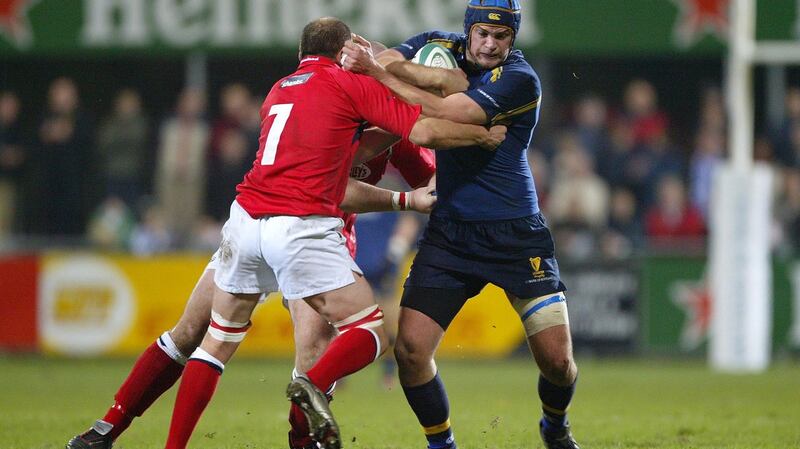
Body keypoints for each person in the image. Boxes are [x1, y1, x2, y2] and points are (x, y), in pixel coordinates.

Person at [66, 17, 504, 449]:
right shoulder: (350, 94)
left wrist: (456, 188)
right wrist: (465, 142)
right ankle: (108, 428)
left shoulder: (301, 92)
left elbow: (429, 176)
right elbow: (340, 183)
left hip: (270, 220)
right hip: (304, 227)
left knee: (285, 349)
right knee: (195, 331)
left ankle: (292, 440)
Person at [341, 1, 581, 448]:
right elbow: (389, 57)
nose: (490, 44)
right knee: (411, 351)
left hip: (515, 232)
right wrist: (398, 68)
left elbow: (449, 113)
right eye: (482, 34)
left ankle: (555, 425)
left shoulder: (520, 79)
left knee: (557, 362)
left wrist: (381, 73)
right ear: (468, 30)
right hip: (450, 233)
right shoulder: (438, 45)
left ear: (513, 39)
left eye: (501, 36)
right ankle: (442, 444)